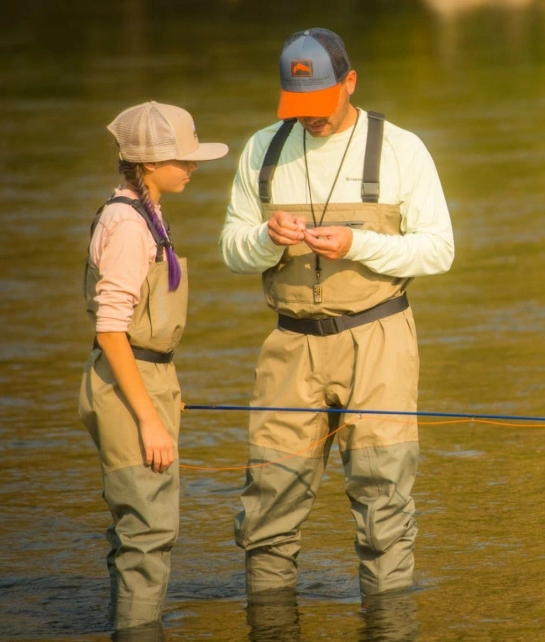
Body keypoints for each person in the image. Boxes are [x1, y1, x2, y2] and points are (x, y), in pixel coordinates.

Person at [219, 28, 454, 598]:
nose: (311, 119)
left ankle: (388, 623)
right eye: (298, 108)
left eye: (321, 105)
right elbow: (231, 248)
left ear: (350, 83)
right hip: (289, 345)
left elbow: (439, 250)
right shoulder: (262, 149)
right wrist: (267, 241)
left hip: (378, 338)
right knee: (268, 504)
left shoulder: (402, 149)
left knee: (384, 507)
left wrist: (358, 245)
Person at [78, 101, 228, 631]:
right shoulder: (128, 225)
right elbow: (111, 329)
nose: (192, 167)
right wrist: (148, 417)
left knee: (139, 529)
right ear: (146, 164)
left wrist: (165, 390)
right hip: (128, 382)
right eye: (181, 159)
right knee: (148, 531)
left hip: (146, 377)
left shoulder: (146, 211)